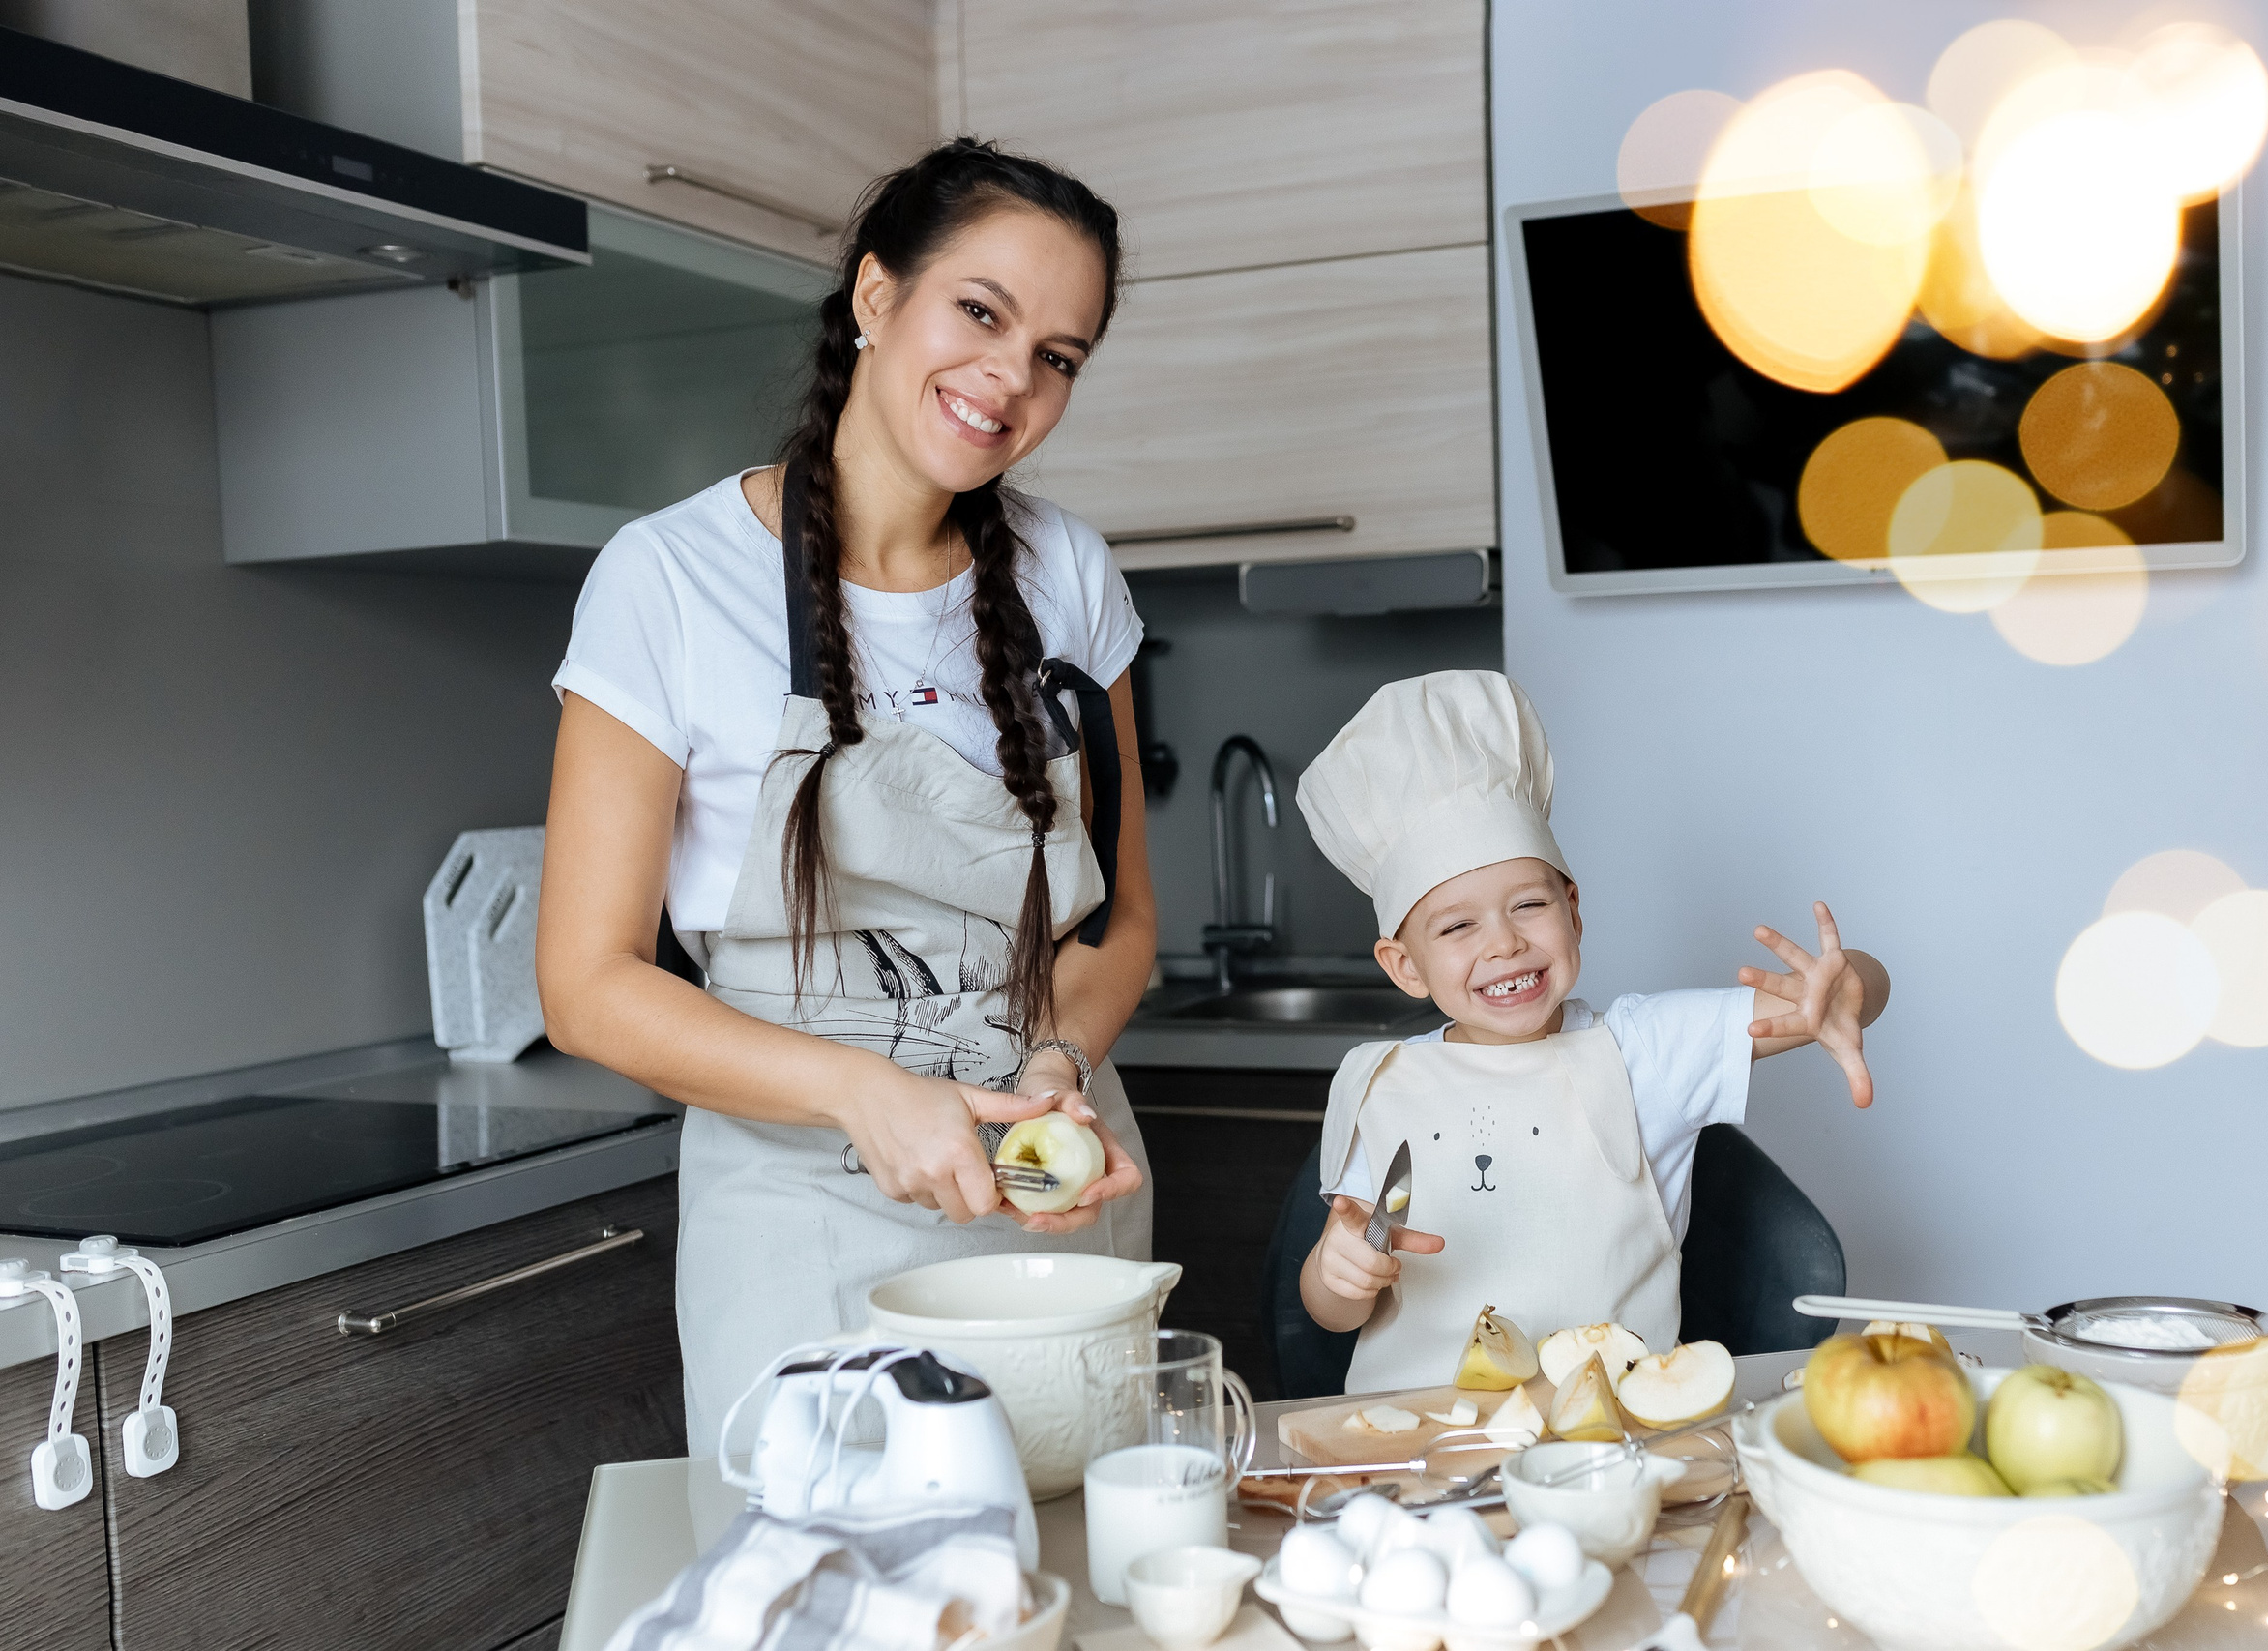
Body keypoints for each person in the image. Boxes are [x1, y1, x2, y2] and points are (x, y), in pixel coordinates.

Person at [536, 140, 1155, 1454]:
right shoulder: (666, 580)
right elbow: (585, 983)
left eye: (1059, 354)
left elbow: (1121, 927)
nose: (1011, 377)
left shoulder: (1071, 574)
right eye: (980, 311)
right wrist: (865, 1091)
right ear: (876, 297)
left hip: (1046, 1183)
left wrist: (1057, 1063)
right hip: (796, 1197)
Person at [1290, 670, 1889, 1391]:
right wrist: (1337, 1274)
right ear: (1404, 964)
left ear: (1573, 909)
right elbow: (1331, 1312)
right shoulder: (1382, 1085)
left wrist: (1846, 984)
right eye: (1457, 925)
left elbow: (1822, 1000)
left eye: (1528, 905)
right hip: (1420, 1444)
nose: (1504, 943)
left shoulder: (1645, 1050)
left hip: (1605, 1443)